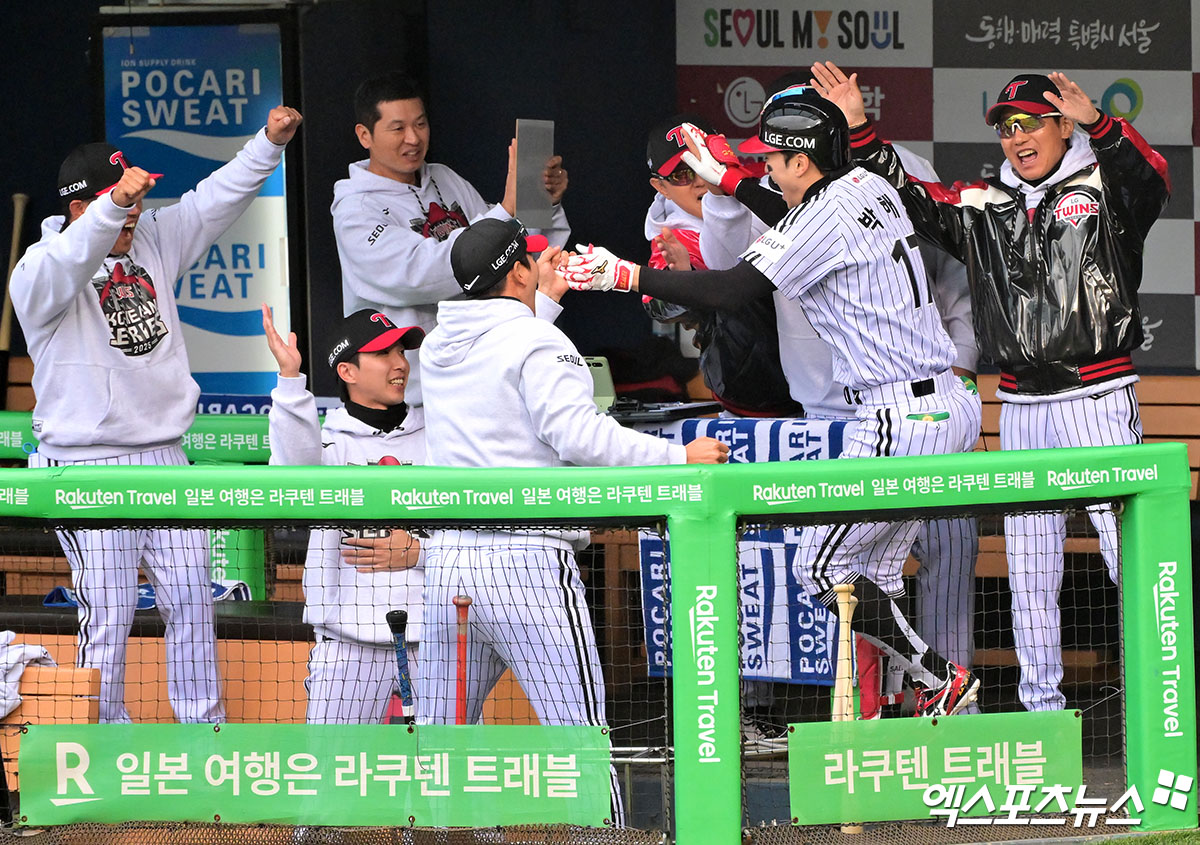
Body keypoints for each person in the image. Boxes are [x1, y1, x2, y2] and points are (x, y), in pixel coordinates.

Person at [563, 86, 982, 717]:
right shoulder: (867, 183)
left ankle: (936, 678)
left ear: (803, 162)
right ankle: (902, 711)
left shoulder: (821, 215)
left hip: (902, 414)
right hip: (935, 404)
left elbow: (733, 290)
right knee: (873, 574)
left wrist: (625, 275)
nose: (766, 170)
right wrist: (727, 181)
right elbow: (791, 206)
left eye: (772, 160)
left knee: (820, 569)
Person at [812, 61, 1170, 712]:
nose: (1017, 137)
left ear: (1064, 125)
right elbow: (912, 202)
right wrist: (861, 128)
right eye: (1007, 127)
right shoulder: (989, 206)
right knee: (1031, 575)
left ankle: (1162, 705)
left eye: (1030, 123)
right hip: (1022, 403)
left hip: (1095, 395)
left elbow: (1152, 178)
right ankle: (1044, 720)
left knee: (1132, 556)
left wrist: (1102, 124)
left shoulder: (1104, 183)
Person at [416, 217, 728, 821]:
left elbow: (501, 366)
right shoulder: (537, 342)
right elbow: (578, 435)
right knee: (579, 742)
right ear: (516, 274)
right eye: (530, 261)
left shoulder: (437, 345)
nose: (540, 266)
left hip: (448, 563)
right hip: (526, 565)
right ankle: (602, 839)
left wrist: (541, 309)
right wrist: (676, 457)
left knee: (442, 744)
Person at [10, 106, 304, 723]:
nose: (131, 217)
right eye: (116, 206)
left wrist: (267, 144)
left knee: (193, 600)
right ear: (77, 209)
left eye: (135, 205)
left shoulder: (150, 238)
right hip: (87, 465)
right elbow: (69, 262)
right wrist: (114, 205)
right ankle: (103, 737)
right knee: (110, 610)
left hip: (165, 456)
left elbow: (210, 201)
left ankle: (204, 731)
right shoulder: (39, 269)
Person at [332, 71, 571, 407]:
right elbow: (417, 272)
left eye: (420, 124)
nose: (413, 139)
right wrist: (504, 209)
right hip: (411, 397)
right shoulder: (355, 208)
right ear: (364, 135)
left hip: (482, 377)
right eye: (398, 128)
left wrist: (542, 202)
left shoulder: (444, 177)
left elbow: (509, 255)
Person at [263, 305, 425, 724]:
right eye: (383, 353)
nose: (399, 364)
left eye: (401, 352)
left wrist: (419, 553)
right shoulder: (327, 445)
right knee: (334, 773)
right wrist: (290, 382)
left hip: (433, 636)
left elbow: (474, 529)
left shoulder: (439, 434)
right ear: (348, 372)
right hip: (347, 643)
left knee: (449, 771)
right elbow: (293, 479)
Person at [642, 112, 801, 418]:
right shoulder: (672, 238)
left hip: (830, 386)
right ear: (660, 187)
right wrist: (684, 281)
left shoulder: (768, 186)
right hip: (756, 396)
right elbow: (655, 304)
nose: (700, 180)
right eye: (682, 174)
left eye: (704, 162)